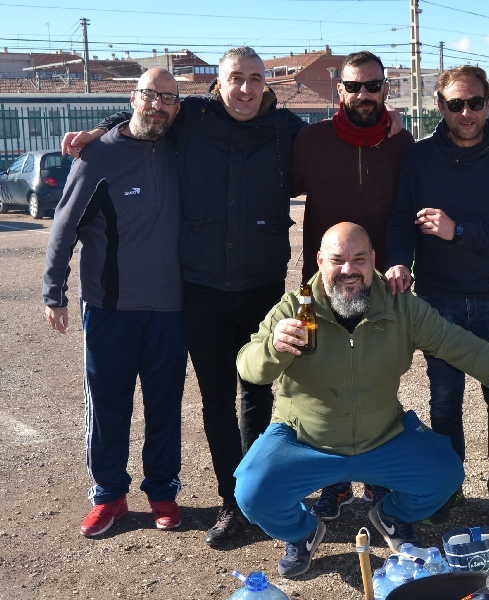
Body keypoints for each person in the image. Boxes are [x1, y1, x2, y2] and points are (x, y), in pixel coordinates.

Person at [62, 47, 308, 546]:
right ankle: (231, 502)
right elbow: (148, 110)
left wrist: (389, 124)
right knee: (216, 400)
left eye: (255, 78)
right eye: (236, 78)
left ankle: (258, 496)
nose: (246, 88)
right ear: (218, 83)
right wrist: (101, 129)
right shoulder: (192, 116)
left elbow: (338, 141)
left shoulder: (287, 128)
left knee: (259, 394)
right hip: (201, 288)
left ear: (266, 83)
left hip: (262, 283)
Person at [232, 223, 489, 577]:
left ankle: (391, 514)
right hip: (306, 440)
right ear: (320, 260)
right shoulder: (295, 308)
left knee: (445, 474)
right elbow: (249, 367)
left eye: (359, 259)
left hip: (381, 437)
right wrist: (273, 346)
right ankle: (302, 532)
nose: (349, 270)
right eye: (338, 260)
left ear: (374, 260)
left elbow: (459, 344)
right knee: (251, 492)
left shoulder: (401, 306)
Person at [385, 65, 489, 517]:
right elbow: (401, 219)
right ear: (440, 106)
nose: (465, 112)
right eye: (455, 104)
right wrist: (398, 260)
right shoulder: (419, 157)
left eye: (474, 103)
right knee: (444, 400)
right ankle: (448, 486)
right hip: (439, 297)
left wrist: (459, 231)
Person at [43, 69, 187, 537]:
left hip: (171, 309)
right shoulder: (99, 155)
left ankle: (162, 491)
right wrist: (54, 291)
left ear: (177, 107)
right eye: (150, 95)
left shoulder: (179, 146)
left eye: (168, 98)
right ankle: (109, 496)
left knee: (164, 406)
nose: (158, 105)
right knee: (108, 406)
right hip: (110, 308)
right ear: (133, 97)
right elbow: (64, 225)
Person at [290, 50, 415, 521]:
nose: (364, 94)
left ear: (386, 89)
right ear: (339, 90)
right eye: (355, 86)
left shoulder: (403, 144)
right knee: (325, 382)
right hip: (323, 285)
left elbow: (411, 209)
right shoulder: (310, 140)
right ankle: (334, 482)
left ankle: (378, 476)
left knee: (378, 380)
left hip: (381, 284)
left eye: (373, 86)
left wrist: (401, 262)